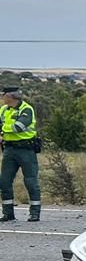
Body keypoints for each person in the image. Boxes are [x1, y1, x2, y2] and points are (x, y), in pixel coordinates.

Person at [1, 86, 42, 222]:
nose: (2, 97)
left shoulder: (26, 109)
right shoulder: (4, 110)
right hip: (9, 149)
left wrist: (3, 130)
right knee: (4, 181)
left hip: (26, 150)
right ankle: (8, 213)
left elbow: (18, 127)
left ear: (10, 96)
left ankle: (34, 213)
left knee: (30, 181)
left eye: (3, 95)